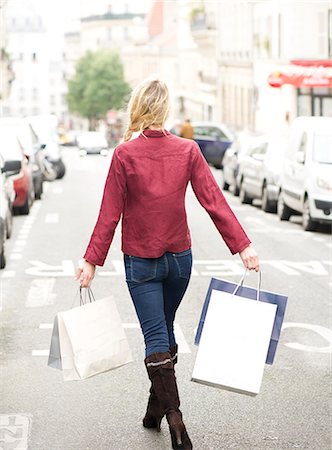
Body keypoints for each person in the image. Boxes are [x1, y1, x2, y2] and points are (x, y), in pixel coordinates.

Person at [76, 79, 259, 450]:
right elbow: (214, 201)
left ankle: (176, 420)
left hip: (142, 263)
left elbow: (108, 215)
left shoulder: (125, 154)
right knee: (164, 332)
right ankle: (153, 411)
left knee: (156, 337)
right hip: (180, 261)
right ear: (165, 109)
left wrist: (91, 260)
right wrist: (243, 247)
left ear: (138, 108)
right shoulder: (188, 150)